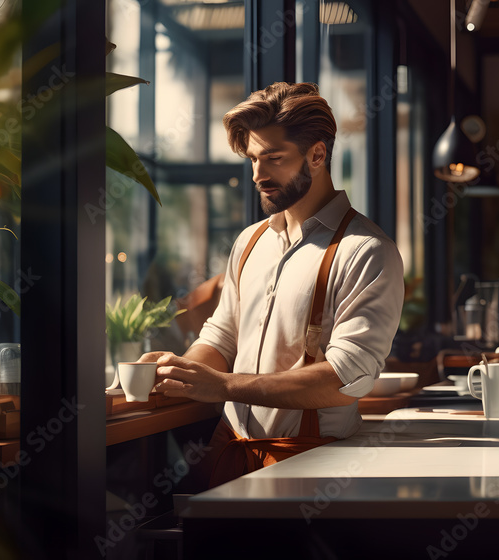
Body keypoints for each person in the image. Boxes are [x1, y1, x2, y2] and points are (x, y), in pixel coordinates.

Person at [141, 82, 404, 485]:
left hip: (313, 466)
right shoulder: (250, 242)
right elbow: (222, 336)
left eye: (273, 159)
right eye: (252, 160)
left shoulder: (366, 251)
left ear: (317, 155)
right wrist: (179, 371)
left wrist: (224, 385)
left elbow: (346, 379)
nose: (258, 175)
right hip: (227, 453)